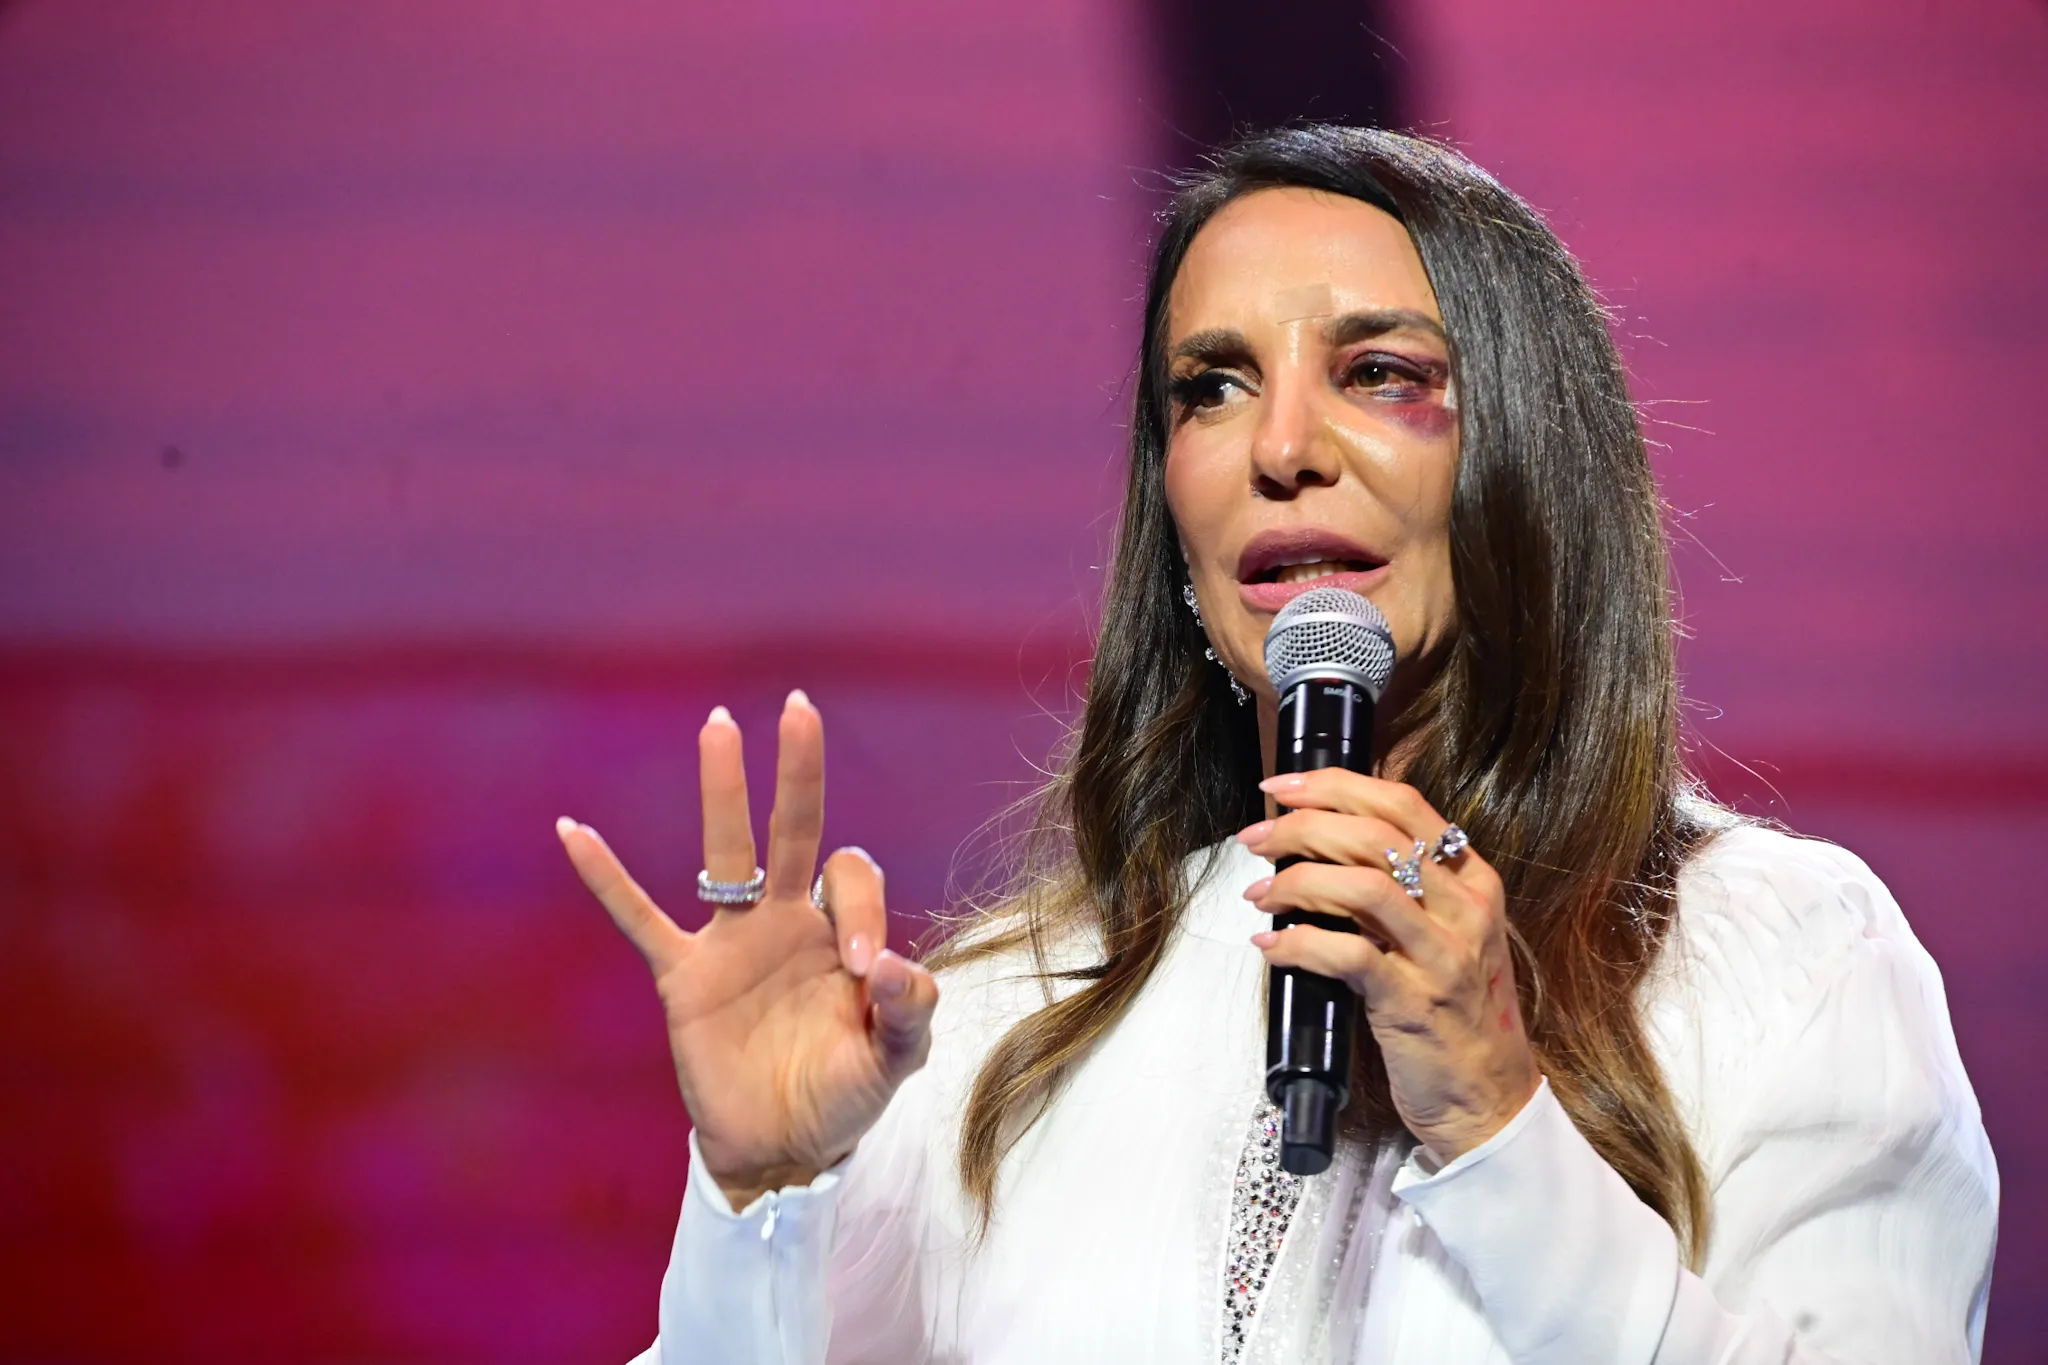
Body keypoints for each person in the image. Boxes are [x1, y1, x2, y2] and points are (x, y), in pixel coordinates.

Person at [556, 126, 1998, 1363]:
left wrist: (1502, 1121)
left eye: (1378, 372)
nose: (1280, 445)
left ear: (1524, 464)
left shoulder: (1780, 960)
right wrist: (761, 1190)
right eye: (1212, 386)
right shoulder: (1005, 1030)